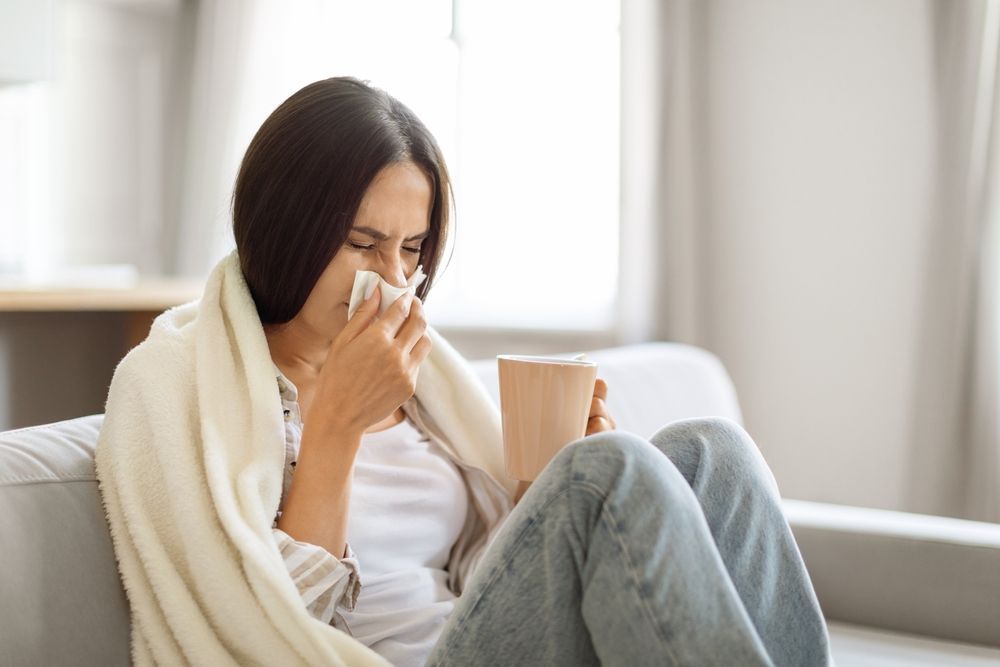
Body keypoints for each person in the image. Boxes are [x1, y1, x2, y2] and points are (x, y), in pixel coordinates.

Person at [96, 76, 832, 667]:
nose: (392, 279)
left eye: (412, 249)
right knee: (606, 472)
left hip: (481, 638)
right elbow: (261, 632)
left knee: (713, 449)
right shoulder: (180, 384)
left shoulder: (424, 385)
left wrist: (541, 496)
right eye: (363, 242)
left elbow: (478, 585)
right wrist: (337, 428)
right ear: (286, 224)